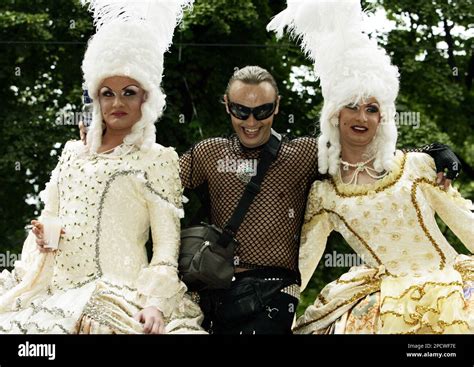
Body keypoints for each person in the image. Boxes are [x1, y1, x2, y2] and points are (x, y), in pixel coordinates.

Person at [268, 0, 473, 334]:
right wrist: (273, 311)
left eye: (372, 108)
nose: (362, 117)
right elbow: (301, 266)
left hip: (451, 290)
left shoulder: (418, 167)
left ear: (383, 118)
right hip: (381, 301)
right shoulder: (326, 193)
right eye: (352, 106)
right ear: (335, 114)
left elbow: (466, 225)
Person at [0, 0, 204, 334]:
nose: (117, 102)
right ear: (96, 98)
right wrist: (42, 237)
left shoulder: (158, 158)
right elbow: (49, 218)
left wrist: (155, 302)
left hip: (120, 299)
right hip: (52, 294)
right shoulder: (70, 153)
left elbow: (167, 248)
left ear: (146, 99)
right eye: (107, 93)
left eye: (129, 92)